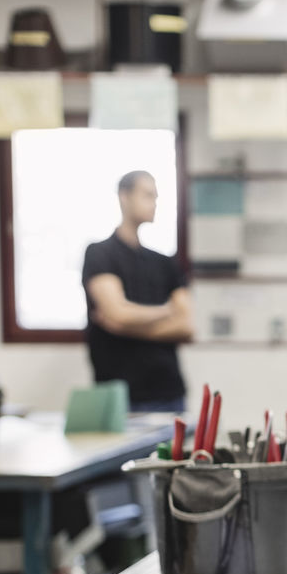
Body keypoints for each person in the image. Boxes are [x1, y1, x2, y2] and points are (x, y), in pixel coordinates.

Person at [82, 170, 192, 413]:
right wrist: (166, 311)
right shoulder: (100, 254)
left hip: (168, 391)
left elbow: (185, 325)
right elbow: (118, 314)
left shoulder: (165, 263)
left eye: (156, 197)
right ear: (124, 196)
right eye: (147, 195)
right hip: (119, 393)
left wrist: (124, 325)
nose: (154, 203)